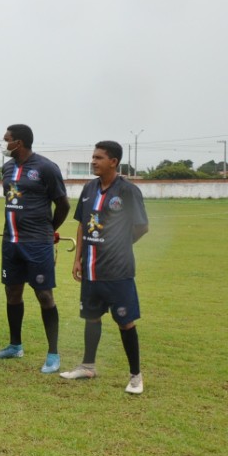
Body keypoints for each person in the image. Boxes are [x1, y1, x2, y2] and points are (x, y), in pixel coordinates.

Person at [61, 141, 148, 394]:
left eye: (99, 157)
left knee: (125, 321)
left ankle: (135, 376)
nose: (93, 161)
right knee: (91, 317)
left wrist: (122, 243)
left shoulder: (128, 191)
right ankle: (87, 366)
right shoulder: (89, 188)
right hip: (91, 269)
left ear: (114, 161)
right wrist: (77, 259)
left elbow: (142, 226)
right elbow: (81, 224)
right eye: (92, 157)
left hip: (118, 271)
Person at [0, 124, 70, 373]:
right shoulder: (8, 167)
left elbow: (63, 205)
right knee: (12, 293)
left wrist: (48, 230)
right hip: (10, 242)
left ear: (20, 143)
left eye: (7, 140)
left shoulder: (46, 167)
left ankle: (53, 354)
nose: (4, 144)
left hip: (37, 244)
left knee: (44, 295)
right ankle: (15, 346)